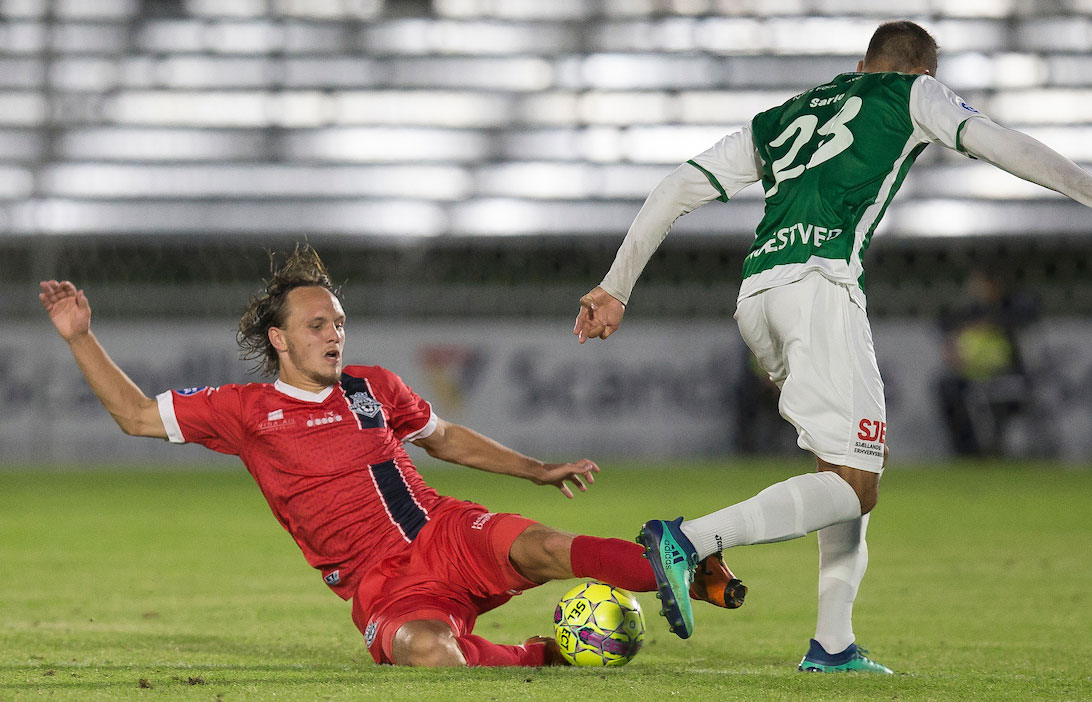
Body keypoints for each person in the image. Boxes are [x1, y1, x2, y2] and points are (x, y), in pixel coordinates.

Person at [573, 20, 1092, 673]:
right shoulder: (911, 94)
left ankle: (833, 644)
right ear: (921, 71)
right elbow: (1001, 144)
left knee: (844, 467)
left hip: (758, 294)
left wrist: (615, 286)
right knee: (857, 485)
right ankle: (689, 540)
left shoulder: (781, 117)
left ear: (859, 62)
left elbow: (679, 185)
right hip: (820, 285)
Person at [39, 244, 744, 668]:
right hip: (384, 583)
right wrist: (79, 337)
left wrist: (535, 467)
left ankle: (690, 572)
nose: (333, 334)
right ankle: (550, 654)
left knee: (545, 546)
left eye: (339, 323)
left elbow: (443, 438)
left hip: (445, 530)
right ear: (280, 340)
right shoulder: (245, 410)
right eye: (316, 325)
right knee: (430, 653)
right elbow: (135, 416)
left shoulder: (372, 387)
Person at [936, 267, 1038, 456]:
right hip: (972, 373)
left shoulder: (1012, 307)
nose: (976, 289)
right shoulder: (970, 310)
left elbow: (1022, 330)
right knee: (946, 387)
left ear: (995, 285)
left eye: (981, 284)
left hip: (1007, 373)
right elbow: (945, 324)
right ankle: (965, 449)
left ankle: (988, 448)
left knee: (985, 399)